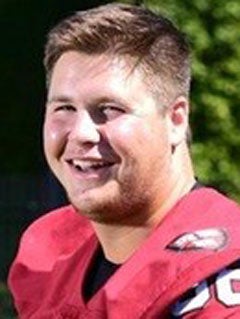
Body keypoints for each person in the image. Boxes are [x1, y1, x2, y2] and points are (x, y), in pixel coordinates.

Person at [8, 3, 240, 318]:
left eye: (110, 109)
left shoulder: (221, 280)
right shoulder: (48, 254)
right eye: (64, 108)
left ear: (175, 120)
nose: (81, 133)